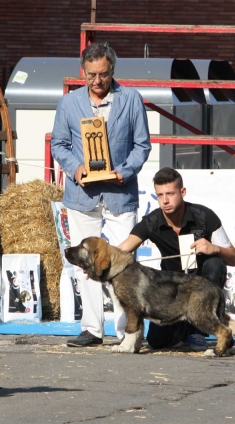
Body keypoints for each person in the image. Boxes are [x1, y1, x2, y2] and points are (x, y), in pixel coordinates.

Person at [51, 42, 151, 347]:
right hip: (83, 196)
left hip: (120, 194)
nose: (98, 80)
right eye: (92, 74)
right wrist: (74, 169)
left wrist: (126, 170)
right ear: (84, 71)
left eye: (104, 74)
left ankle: (127, 331)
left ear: (113, 70)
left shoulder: (131, 99)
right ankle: (92, 329)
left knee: (124, 263)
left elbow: (142, 145)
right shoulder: (68, 104)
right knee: (85, 264)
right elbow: (59, 145)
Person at [118, 167, 235, 351]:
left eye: (170, 193)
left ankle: (197, 331)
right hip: (171, 291)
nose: (165, 200)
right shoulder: (151, 222)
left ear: (182, 192)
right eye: (160, 195)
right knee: (156, 342)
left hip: (201, 288)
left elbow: (233, 257)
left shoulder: (205, 216)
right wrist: (98, 263)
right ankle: (183, 328)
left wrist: (214, 248)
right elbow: (122, 250)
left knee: (216, 263)